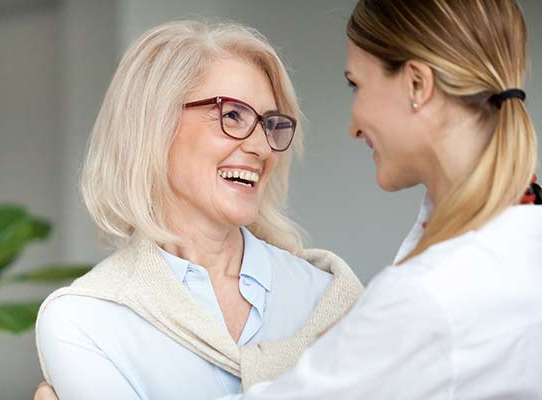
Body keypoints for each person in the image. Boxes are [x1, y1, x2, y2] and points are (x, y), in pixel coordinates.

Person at [217, 0, 542, 398]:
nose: (353, 127)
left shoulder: (429, 296)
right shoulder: (518, 241)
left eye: (357, 85)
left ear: (417, 85)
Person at [34, 20, 363, 400]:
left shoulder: (326, 295)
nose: (262, 148)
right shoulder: (85, 319)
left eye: (270, 124)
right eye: (233, 115)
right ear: (155, 125)